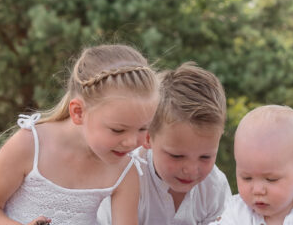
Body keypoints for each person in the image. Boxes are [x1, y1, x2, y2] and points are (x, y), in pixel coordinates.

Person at [0, 44, 160, 225]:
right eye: (118, 130)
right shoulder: (32, 144)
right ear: (78, 112)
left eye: (143, 128)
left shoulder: (126, 170)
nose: (131, 142)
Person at [98, 62, 232, 225]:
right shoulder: (126, 178)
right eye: (177, 156)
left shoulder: (214, 187)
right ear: (148, 137)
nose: (190, 169)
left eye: (205, 156)